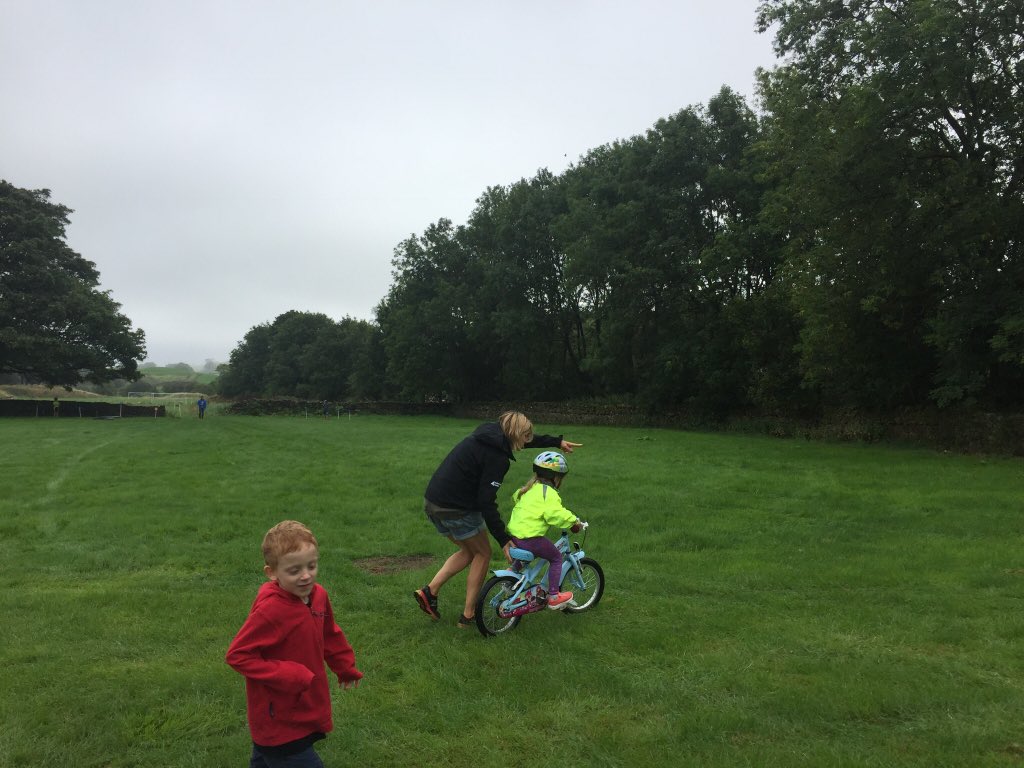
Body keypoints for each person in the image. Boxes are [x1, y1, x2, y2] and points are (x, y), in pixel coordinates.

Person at [413, 410, 582, 628]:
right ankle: (468, 615)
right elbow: (486, 502)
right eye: (526, 436)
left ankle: (429, 592)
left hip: (433, 502)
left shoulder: (490, 435)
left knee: (468, 551)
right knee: (483, 553)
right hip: (456, 507)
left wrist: (557, 442)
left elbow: (523, 441)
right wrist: (503, 539)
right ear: (516, 433)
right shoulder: (497, 458)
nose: (527, 441)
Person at [226, 520, 362, 768]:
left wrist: (344, 666)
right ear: (272, 573)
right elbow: (238, 655)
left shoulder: (318, 595)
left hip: (303, 705)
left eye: (312, 565)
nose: (306, 575)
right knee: (286, 753)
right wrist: (290, 673)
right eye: (294, 570)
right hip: (277, 715)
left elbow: (329, 634)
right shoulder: (271, 610)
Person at [506, 451, 585, 609]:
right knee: (556, 557)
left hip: (514, 536)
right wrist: (574, 523)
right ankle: (554, 596)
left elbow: (516, 498)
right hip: (530, 538)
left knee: (531, 553)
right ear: (556, 477)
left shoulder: (529, 488)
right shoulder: (547, 493)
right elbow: (555, 513)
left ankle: (509, 578)